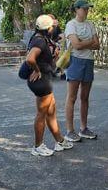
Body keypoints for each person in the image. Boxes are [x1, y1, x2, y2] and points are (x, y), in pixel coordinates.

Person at [26, 15, 75, 157]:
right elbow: (30, 58)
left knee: (51, 110)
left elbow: (42, 59)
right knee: (42, 113)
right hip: (41, 81)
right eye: (52, 26)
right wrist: (36, 70)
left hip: (44, 79)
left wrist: (53, 57)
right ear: (48, 28)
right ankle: (38, 146)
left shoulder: (38, 38)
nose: (53, 28)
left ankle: (59, 141)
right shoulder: (40, 41)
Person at [64, 0, 100, 142]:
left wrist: (85, 43)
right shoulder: (71, 25)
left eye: (88, 9)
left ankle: (83, 128)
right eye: (84, 9)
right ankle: (69, 130)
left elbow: (97, 45)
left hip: (88, 61)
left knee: (85, 97)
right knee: (72, 97)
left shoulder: (90, 24)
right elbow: (76, 45)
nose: (86, 11)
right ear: (76, 9)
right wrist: (89, 42)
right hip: (75, 61)